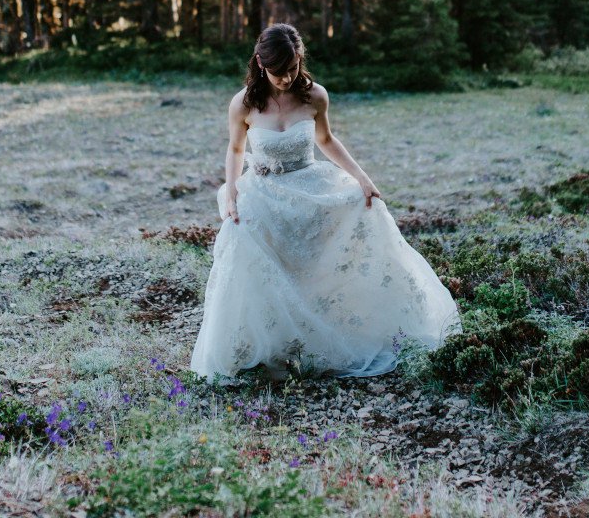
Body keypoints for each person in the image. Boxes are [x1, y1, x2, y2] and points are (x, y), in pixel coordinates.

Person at [189, 23, 461, 381]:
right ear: (259, 63)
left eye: (293, 69)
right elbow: (237, 148)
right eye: (278, 72)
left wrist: (363, 178)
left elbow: (327, 140)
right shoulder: (243, 104)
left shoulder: (315, 96)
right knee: (243, 241)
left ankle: (332, 335)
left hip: (310, 184)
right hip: (265, 191)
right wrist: (232, 189)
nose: (286, 79)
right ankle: (261, 346)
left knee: (363, 216)